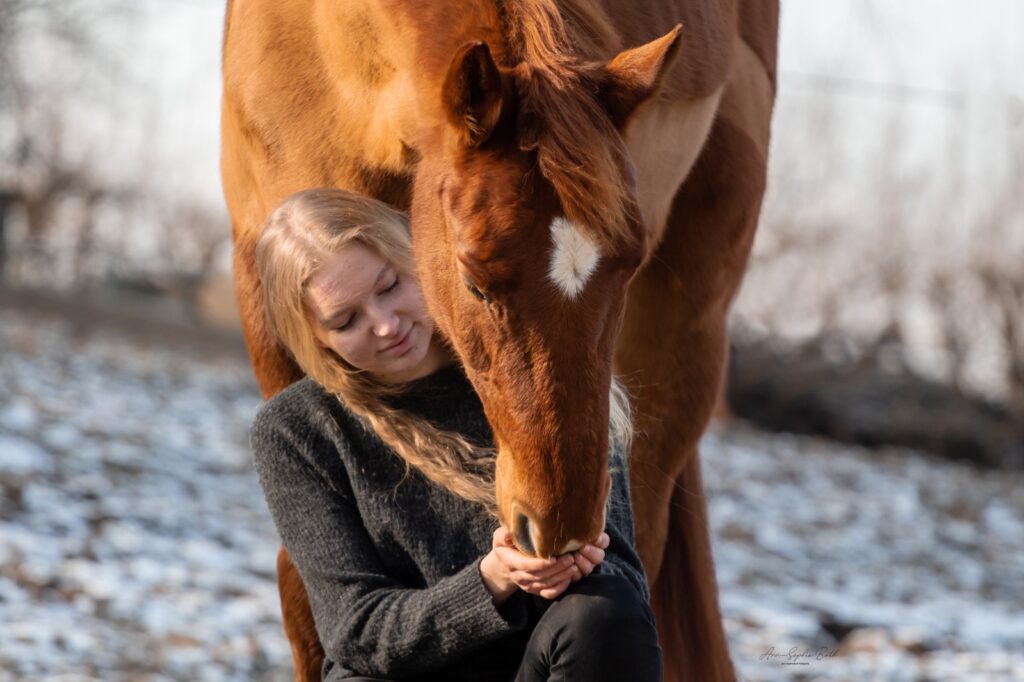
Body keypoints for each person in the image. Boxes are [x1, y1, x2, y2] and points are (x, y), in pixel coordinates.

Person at [250, 188, 663, 681]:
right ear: (313, 337)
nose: (384, 325)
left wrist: (577, 564)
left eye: (389, 287)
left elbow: (625, 585)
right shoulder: (296, 430)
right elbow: (355, 629)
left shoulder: (538, 369)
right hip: (395, 673)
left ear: (420, 257)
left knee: (606, 610)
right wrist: (493, 579)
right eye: (346, 320)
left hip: (537, 666)